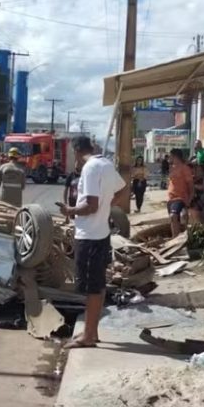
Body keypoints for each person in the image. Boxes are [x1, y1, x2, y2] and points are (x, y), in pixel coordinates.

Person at [59, 136, 125, 349]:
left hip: (89, 235)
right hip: (101, 233)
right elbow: (123, 189)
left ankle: (88, 336)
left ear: (77, 151)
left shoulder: (90, 168)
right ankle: (92, 332)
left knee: (91, 288)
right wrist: (107, 206)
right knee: (96, 285)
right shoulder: (105, 164)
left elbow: (91, 206)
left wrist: (70, 211)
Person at [166, 148, 193, 237]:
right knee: (173, 219)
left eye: (170, 156)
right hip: (171, 198)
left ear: (175, 156)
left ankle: (178, 238)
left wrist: (190, 198)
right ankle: (175, 237)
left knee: (174, 215)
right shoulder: (172, 168)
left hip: (180, 197)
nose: (168, 158)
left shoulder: (185, 168)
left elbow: (190, 184)